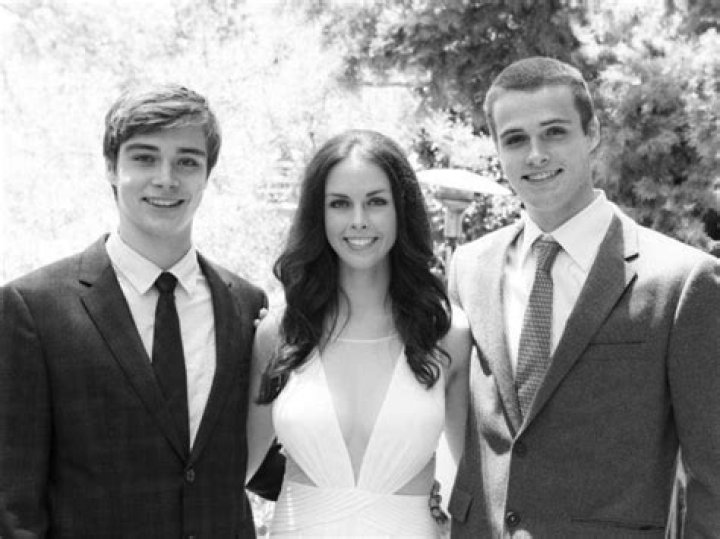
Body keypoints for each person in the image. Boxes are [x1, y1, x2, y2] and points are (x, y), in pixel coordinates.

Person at [446, 56, 720, 537]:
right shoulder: (470, 268)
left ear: (591, 133)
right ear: (498, 149)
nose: (536, 154)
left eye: (554, 132)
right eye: (515, 139)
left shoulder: (682, 281)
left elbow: (713, 475)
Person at [0, 83, 282, 538]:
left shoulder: (247, 305)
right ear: (112, 168)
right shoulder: (32, 309)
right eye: (145, 158)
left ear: (207, 175)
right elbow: (12, 504)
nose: (166, 178)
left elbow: (253, 462)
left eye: (187, 162)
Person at [245, 129, 471, 537]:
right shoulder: (280, 333)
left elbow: (476, 482)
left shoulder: (447, 335)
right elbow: (228, 473)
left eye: (376, 202)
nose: (359, 220)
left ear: (402, 210)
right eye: (340, 204)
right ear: (318, 215)